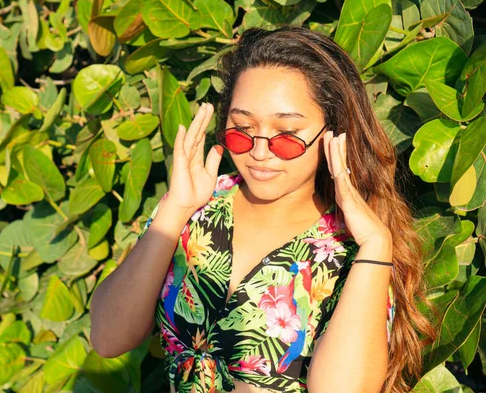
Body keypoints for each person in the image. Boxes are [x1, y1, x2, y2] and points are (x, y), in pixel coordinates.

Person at [90, 25, 436, 393]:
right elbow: (108, 338)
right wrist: (174, 209)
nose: (258, 151)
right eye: (242, 128)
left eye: (286, 135)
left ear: (332, 134)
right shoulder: (197, 207)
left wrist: (376, 246)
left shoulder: (348, 248)